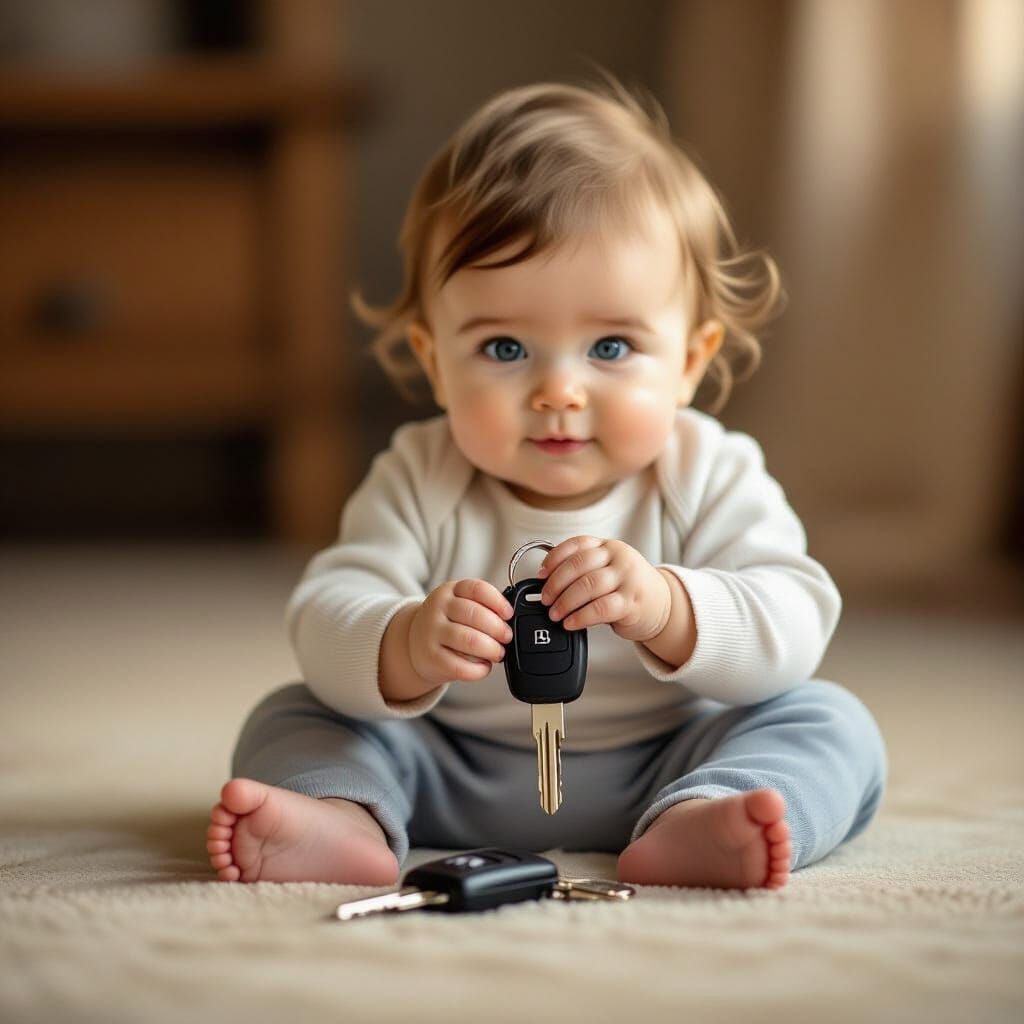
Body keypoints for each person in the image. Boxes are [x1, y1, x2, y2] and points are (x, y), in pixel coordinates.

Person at [207, 71, 887, 891]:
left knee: (829, 721)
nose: (558, 390)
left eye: (609, 349)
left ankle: (706, 819)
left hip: (667, 758)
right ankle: (344, 817)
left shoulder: (707, 468)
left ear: (690, 362)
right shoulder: (421, 474)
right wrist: (406, 641)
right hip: (445, 765)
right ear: (435, 361)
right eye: (503, 348)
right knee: (294, 712)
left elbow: (794, 620)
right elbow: (326, 614)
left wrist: (669, 606)